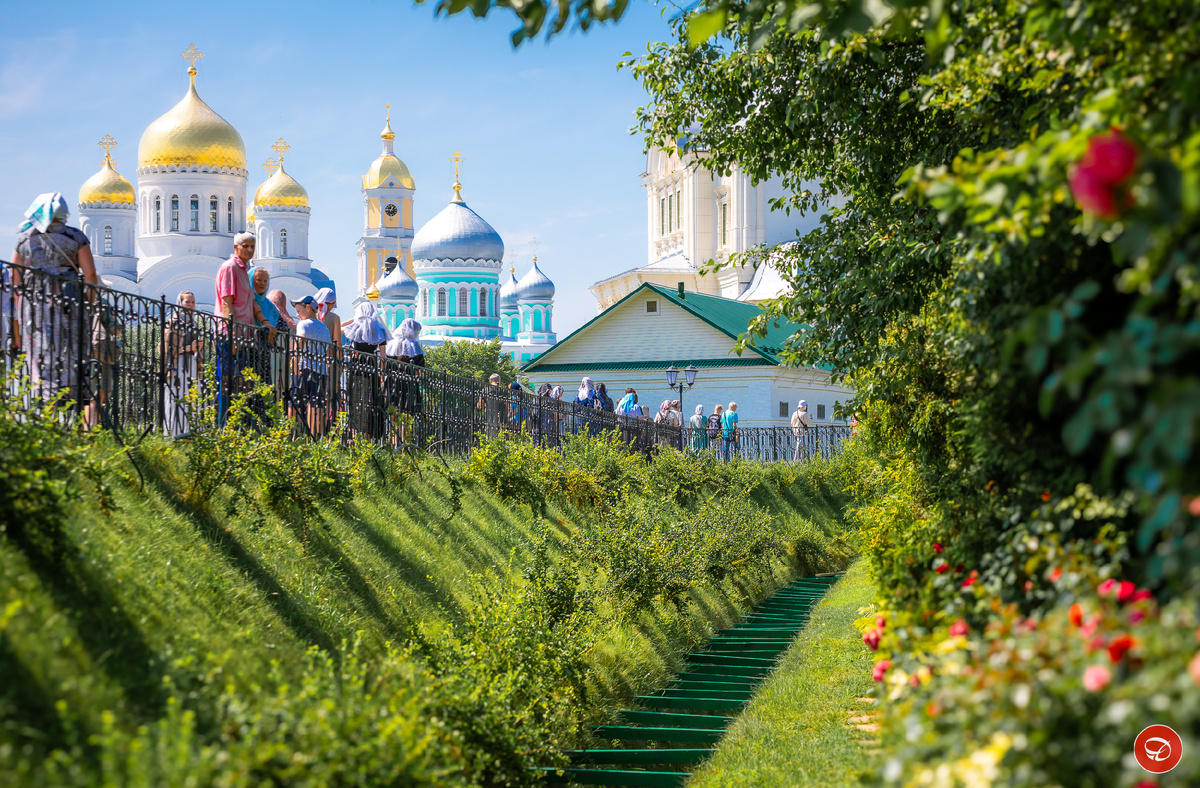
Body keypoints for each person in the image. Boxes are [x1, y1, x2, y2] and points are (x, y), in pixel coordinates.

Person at [11, 192, 99, 401]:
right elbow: (91, 274)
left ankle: (42, 393)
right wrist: (88, 300)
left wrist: (20, 305)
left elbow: (15, 277)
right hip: (69, 298)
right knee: (71, 343)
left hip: (35, 301)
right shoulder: (75, 237)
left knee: (39, 342)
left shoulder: (26, 238)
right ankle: (70, 392)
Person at [214, 232, 271, 423]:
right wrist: (232, 334)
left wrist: (264, 322)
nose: (249, 250)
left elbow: (252, 303)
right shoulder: (230, 267)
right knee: (227, 382)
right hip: (231, 335)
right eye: (245, 246)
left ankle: (237, 426)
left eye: (252, 247)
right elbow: (226, 302)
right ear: (235, 247)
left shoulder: (244, 271)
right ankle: (223, 426)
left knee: (240, 383)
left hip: (243, 336)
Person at [344, 302, 390, 440]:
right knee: (370, 402)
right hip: (371, 368)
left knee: (355, 400)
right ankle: (368, 435)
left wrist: (353, 319)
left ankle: (353, 434)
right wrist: (382, 373)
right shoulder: (379, 330)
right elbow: (383, 356)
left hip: (357, 367)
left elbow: (339, 328)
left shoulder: (356, 327)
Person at [163, 290, 202, 436]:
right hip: (177, 364)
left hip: (191, 364)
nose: (190, 305)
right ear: (180, 303)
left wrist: (197, 348)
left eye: (192, 302)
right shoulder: (174, 322)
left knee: (190, 397)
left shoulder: (194, 322)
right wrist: (189, 348)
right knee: (176, 395)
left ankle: (188, 431)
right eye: (187, 302)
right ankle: (173, 431)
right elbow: (167, 349)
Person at [291, 295, 330, 436]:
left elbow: (300, 341)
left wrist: (295, 365)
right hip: (320, 371)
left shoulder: (303, 323)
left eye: (298, 310)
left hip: (304, 367)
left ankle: (290, 436)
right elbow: (328, 351)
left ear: (308, 308)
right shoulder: (324, 328)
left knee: (294, 402)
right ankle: (314, 437)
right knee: (316, 405)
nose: (297, 314)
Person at [384, 318, 424, 445]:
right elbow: (419, 371)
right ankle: (404, 441)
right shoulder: (415, 347)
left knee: (394, 415)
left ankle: (393, 441)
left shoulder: (391, 345)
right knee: (407, 415)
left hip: (393, 383)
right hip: (409, 385)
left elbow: (386, 365)